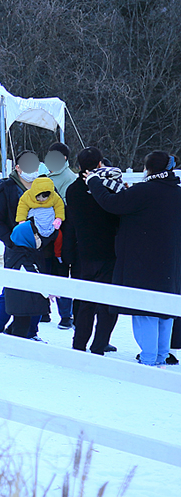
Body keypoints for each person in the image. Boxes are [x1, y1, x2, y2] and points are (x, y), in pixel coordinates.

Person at [87, 150, 181, 366]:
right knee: (165, 312)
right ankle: (161, 354)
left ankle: (148, 360)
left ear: (148, 169)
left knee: (145, 311)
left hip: (144, 263)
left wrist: (94, 181)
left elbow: (112, 203)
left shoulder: (144, 191)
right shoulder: (176, 192)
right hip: (172, 263)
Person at [61, 147, 119, 355]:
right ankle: (99, 343)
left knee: (85, 302)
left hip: (83, 252)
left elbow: (72, 224)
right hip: (109, 251)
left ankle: (79, 343)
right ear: (100, 164)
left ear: (78, 166)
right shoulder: (107, 188)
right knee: (107, 303)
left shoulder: (73, 190)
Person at [0, 150, 45, 340]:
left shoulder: (44, 186)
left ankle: (31, 332)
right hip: (15, 248)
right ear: (18, 168)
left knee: (38, 289)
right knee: (11, 289)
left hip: (40, 247)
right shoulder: (7, 188)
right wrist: (10, 240)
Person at [43, 142, 77, 329]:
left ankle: (66, 315)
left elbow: (65, 206)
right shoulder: (46, 175)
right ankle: (44, 311)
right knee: (44, 270)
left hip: (59, 234)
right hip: (44, 232)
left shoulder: (68, 177)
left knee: (59, 273)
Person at [4, 221, 51, 338]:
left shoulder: (21, 253)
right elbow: (33, 277)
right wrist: (47, 292)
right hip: (22, 300)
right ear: (26, 238)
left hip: (23, 299)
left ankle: (10, 334)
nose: (38, 239)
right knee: (21, 325)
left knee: (21, 321)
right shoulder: (23, 257)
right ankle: (16, 348)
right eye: (35, 236)